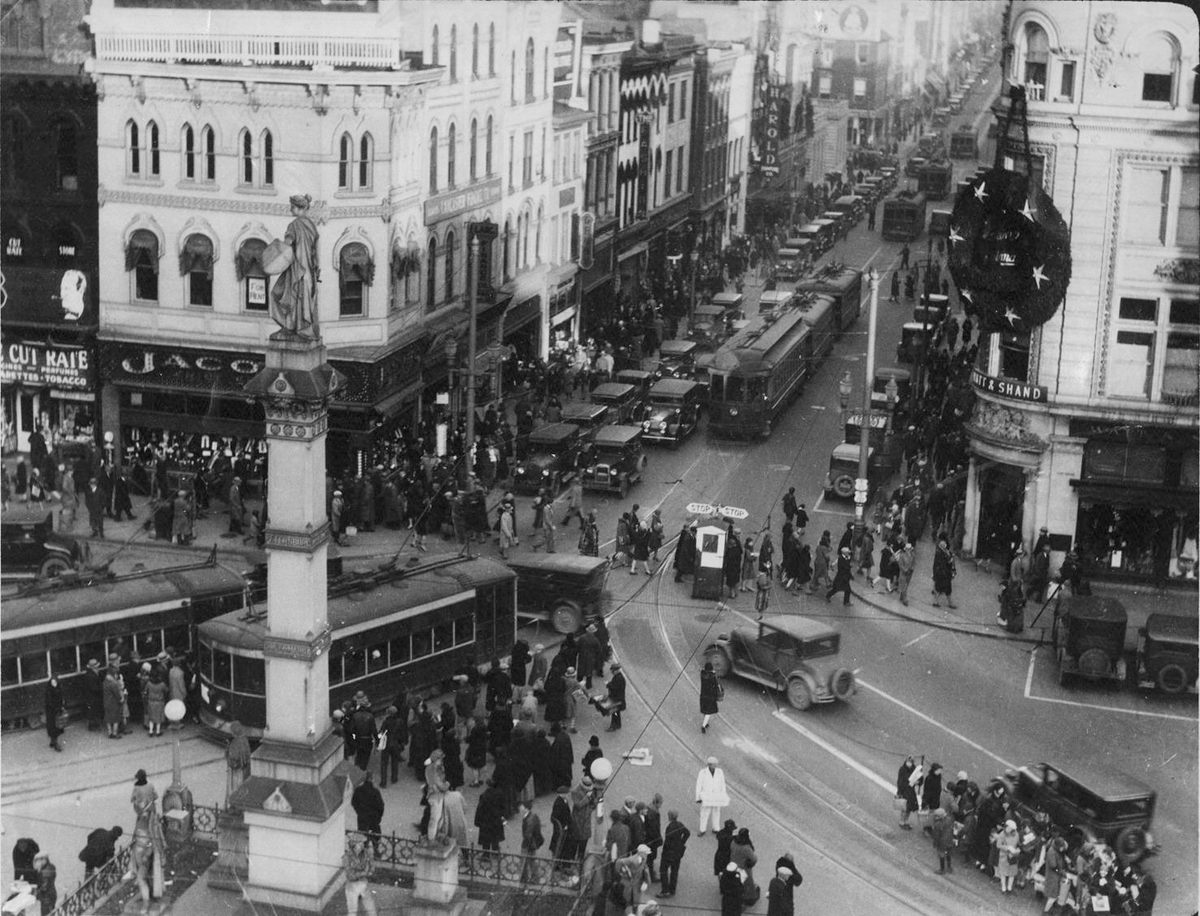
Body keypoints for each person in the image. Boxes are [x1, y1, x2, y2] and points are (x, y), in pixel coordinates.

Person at [270, 193, 321, 336]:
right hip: (308, 270)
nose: (290, 210)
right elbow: (315, 250)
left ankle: (290, 326)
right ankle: (298, 327)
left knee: (277, 294)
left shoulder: (294, 225)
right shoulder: (312, 226)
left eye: (292, 207)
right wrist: (315, 268)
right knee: (301, 298)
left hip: (296, 268)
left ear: (299, 208)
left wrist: (275, 246)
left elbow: (287, 244)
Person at [130, 769, 166, 913]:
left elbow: (133, 801)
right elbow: (155, 797)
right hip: (151, 832)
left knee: (142, 876)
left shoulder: (137, 789)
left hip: (143, 849)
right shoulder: (150, 786)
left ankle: (146, 902)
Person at [343, 833, 377, 916]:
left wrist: (370, 871)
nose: (361, 847)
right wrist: (363, 873)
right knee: (352, 910)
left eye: (362, 845)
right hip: (352, 886)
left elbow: (372, 863)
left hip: (363, 884)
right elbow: (350, 875)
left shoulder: (365, 853)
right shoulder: (346, 857)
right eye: (359, 845)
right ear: (353, 845)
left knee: (370, 907)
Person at [351, 771, 385, 853]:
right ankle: (377, 855)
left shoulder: (358, 790)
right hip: (374, 818)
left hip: (362, 818)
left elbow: (354, 802)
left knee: (362, 839)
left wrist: (359, 811)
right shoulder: (375, 792)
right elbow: (381, 806)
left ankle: (362, 856)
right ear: (372, 779)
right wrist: (379, 816)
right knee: (376, 839)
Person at [695, 756, 730, 836]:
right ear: (709, 765)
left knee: (716, 811)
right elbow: (699, 785)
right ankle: (702, 829)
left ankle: (716, 828)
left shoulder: (720, 772)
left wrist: (723, 795)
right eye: (714, 764)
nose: (715, 766)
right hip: (707, 796)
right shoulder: (703, 772)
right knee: (704, 812)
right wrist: (698, 797)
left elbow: (722, 784)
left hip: (717, 796)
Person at [474, 779, 507, 863]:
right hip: (496, 820)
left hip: (486, 821)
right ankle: (495, 853)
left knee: (486, 839)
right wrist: (502, 816)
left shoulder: (484, 795)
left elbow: (480, 809)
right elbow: (503, 807)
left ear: (487, 785)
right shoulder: (500, 794)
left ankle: (486, 855)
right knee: (495, 838)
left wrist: (477, 821)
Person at [658, 809, 689, 899]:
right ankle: (672, 889)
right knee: (674, 871)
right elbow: (687, 833)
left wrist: (664, 851)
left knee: (663, 870)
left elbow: (668, 842)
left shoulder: (670, 828)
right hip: (678, 852)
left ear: (670, 816)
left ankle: (665, 890)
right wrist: (682, 842)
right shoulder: (680, 824)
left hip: (668, 853)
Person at [423, 748, 450, 842]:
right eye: (440, 759)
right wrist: (447, 784)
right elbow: (440, 784)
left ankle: (436, 835)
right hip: (435, 796)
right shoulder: (432, 769)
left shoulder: (436, 767)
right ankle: (431, 838)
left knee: (440, 818)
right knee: (435, 818)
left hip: (438, 795)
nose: (442, 761)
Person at [379, 705, 407, 788]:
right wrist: (402, 742)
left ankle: (383, 782)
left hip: (386, 744)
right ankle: (394, 778)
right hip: (395, 743)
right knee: (394, 761)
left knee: (384, 763)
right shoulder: (400, 721)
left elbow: (381, 732)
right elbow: (403, 733)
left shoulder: (386, 722)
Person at [730, 827, 759, 906]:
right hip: (743, 867)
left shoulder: (734, 842)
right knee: (748, 883)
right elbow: (754, 858)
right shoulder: (746, 848)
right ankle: (749, 898)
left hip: (733, 865)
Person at [226, 721, 252, 805]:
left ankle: (235, 804)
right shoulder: (245, 739)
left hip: (236, 769)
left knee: (235, 787)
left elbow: (232, 756)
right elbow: (247, 754)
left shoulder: (236, 742)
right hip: (245, 768)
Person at [518, 799, 545, 884]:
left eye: (521, 806)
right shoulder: (533, 816)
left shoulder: (529, 820)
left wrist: (525, 846)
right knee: (532, 862)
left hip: (529, 845)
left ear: (526, 808)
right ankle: (533, 878)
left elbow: (528, 835)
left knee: (527, 862)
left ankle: (529, 879)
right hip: (533, 844)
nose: (519, 808)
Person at [932, 536, 957, 608]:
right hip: (943, 574)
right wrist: (950, 560)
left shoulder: (941, 552)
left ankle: (937, 601)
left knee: (941, 588)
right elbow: (944, 563)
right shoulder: (940, 553)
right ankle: (949, 603)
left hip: (943, 574)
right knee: (945, 589)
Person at [599, 662, 625, 732]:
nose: (612, 672)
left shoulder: (619, 678)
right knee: (617, 712)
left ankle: (613, 726)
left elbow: (614, 687)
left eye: (612, 671)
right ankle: (618, 724)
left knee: (614, 713)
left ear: (616, 670)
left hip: (616, 699)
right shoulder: (618, 677)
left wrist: (608, 684)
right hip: (618, 699)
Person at [896, 756, 919, 830]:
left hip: (911, 791)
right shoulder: (902, 769)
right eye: (908, 762)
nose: (909, 764)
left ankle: (905, 821)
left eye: (910, 762)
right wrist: (899, 792)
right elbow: (900, 781)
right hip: (904, 791)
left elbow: (920, 778)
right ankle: (902, 822)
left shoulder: (914, 769)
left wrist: (917, 782)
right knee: (904, 807)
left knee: (909, 807)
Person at [699, 661, 722, 734]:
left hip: (703, 696)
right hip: (710, 697)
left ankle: (705, 723)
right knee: (709, 712)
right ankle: (703, 726)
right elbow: (716, 684)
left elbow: (704, 672)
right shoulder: (712, 677)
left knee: (705, 710)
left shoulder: (702, 674)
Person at [931, 807, 955, 874]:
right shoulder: (949, 819)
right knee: (948, 853)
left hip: (942, 842)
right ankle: (949, 867)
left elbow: (936, 835)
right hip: (950, 839)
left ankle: (942, 869)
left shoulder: (938, 824)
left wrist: (935, 843)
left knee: (941, 854)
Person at [45, 676, 64, 752]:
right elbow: (49, 702)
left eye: (55, 682)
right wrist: (57, 707)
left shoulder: (58, 689)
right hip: (52, 713)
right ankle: (55, 744)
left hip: (56, 712)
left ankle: (53, 742)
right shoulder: (49, 691)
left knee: (55, 728)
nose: (54, 684)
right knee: (54, 728)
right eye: (52, 683)